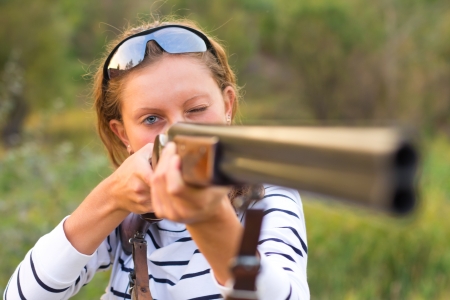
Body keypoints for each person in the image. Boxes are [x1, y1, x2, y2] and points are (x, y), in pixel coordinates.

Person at [4, 19, 309, 300]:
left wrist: (209, 217)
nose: (179, 132)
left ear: (227, 105)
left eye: (196, 109)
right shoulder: (126, 209)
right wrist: (111, 199)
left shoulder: (267, 192)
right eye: (152, 118)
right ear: (123, 134)